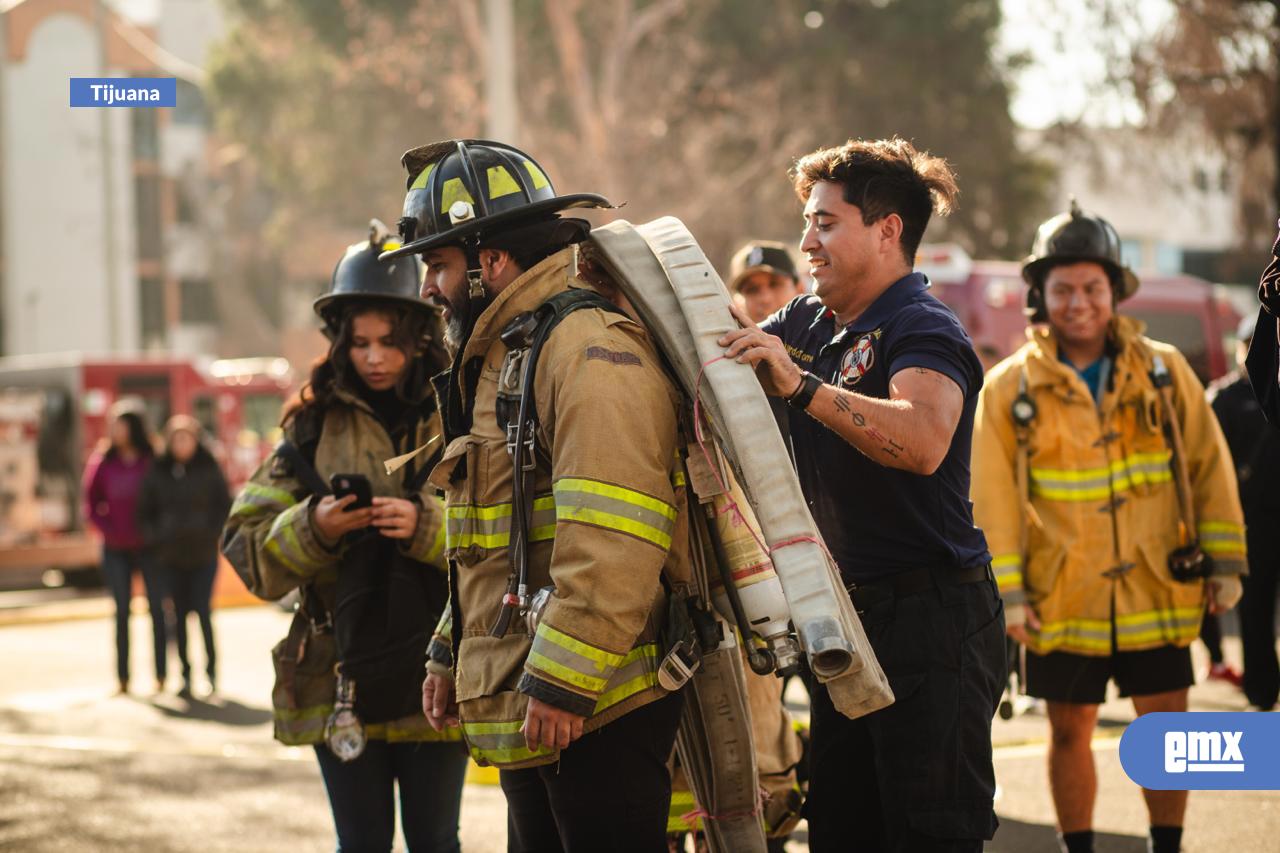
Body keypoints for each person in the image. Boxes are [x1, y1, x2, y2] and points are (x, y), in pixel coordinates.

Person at [388, 139, 690, 852]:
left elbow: (617, 529)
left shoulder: (587, 347)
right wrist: (447, 648)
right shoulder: (505, 354)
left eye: (439, 264)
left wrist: (563, 678)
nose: (429, 288)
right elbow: (495, 538)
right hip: (538, 693)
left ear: (490, 260)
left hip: (599, 701)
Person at [718, 137, 1004, 852]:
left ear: (888, 230)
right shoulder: (809, 321)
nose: (806, 242)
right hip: (843, 618)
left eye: (826, 223)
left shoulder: (923, 324)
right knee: (843, 830)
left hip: (934, 619)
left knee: (928, 833)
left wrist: (802, 387)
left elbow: (923, 438)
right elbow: (721, 352)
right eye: (807, 221)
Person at [971, 200, 1247, 853]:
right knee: (1068, 733)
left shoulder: (1164, 370)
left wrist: (1227, 562)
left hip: (1157, 586)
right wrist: (1009, 593)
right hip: (1062, 596)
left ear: (1115, 290)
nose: (1078, 302)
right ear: (1040, 293)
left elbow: (1209, 465)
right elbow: (992, 501)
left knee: (1168, 737)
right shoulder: (1008, 388)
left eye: (1092, 287)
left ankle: (1167, 845)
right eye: (1062, 288)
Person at [221, 227, 467, 853]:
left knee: (436, 842)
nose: (375, 357)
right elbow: (244, 547)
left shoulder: (460, 413)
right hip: (340, 677)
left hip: (436, 674)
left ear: (420, 337)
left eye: (390, 341)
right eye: (359, 343)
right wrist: (314, 528)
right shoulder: (308, 428)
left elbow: (507, 532)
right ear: (339, 342)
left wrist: (427, 526)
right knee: (360, 845)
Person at [1208, 313, 1280, 710]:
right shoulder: (1225, 398)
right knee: (1254, 612)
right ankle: (1261, 693)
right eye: (1249, 342)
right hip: (1249, 523)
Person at [137, 415, 231, 698]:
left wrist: (211, 533)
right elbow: (145, 512)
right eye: (176, 438)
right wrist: (158, 537)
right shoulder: (159, 471)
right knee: (176, 617)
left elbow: (224, 507)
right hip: (171, 557)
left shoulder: (209, 469)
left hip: (203, 555)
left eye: (186, 438)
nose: (181, 444)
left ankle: (212, 672)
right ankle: (186, 674)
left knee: (203, 612)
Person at [83, 404, 166, 695]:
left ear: (135, 427)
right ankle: (123, 678)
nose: (116, 431)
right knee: (121, 613)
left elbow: (164, 498)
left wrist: (155, 530)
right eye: (113, 425)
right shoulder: (103, 460)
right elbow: (90, 502)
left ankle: (161, 676)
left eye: (121, 425)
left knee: (157, 609)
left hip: (149, 547)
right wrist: (108, 529)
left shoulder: (152, 459)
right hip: (115, 548)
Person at [726, 240, 805, 323]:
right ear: (736, 303)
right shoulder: (724, 335)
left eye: (775, 284)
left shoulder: (818, 333)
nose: (765, 299)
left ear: (800, 290)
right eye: (752, 289)